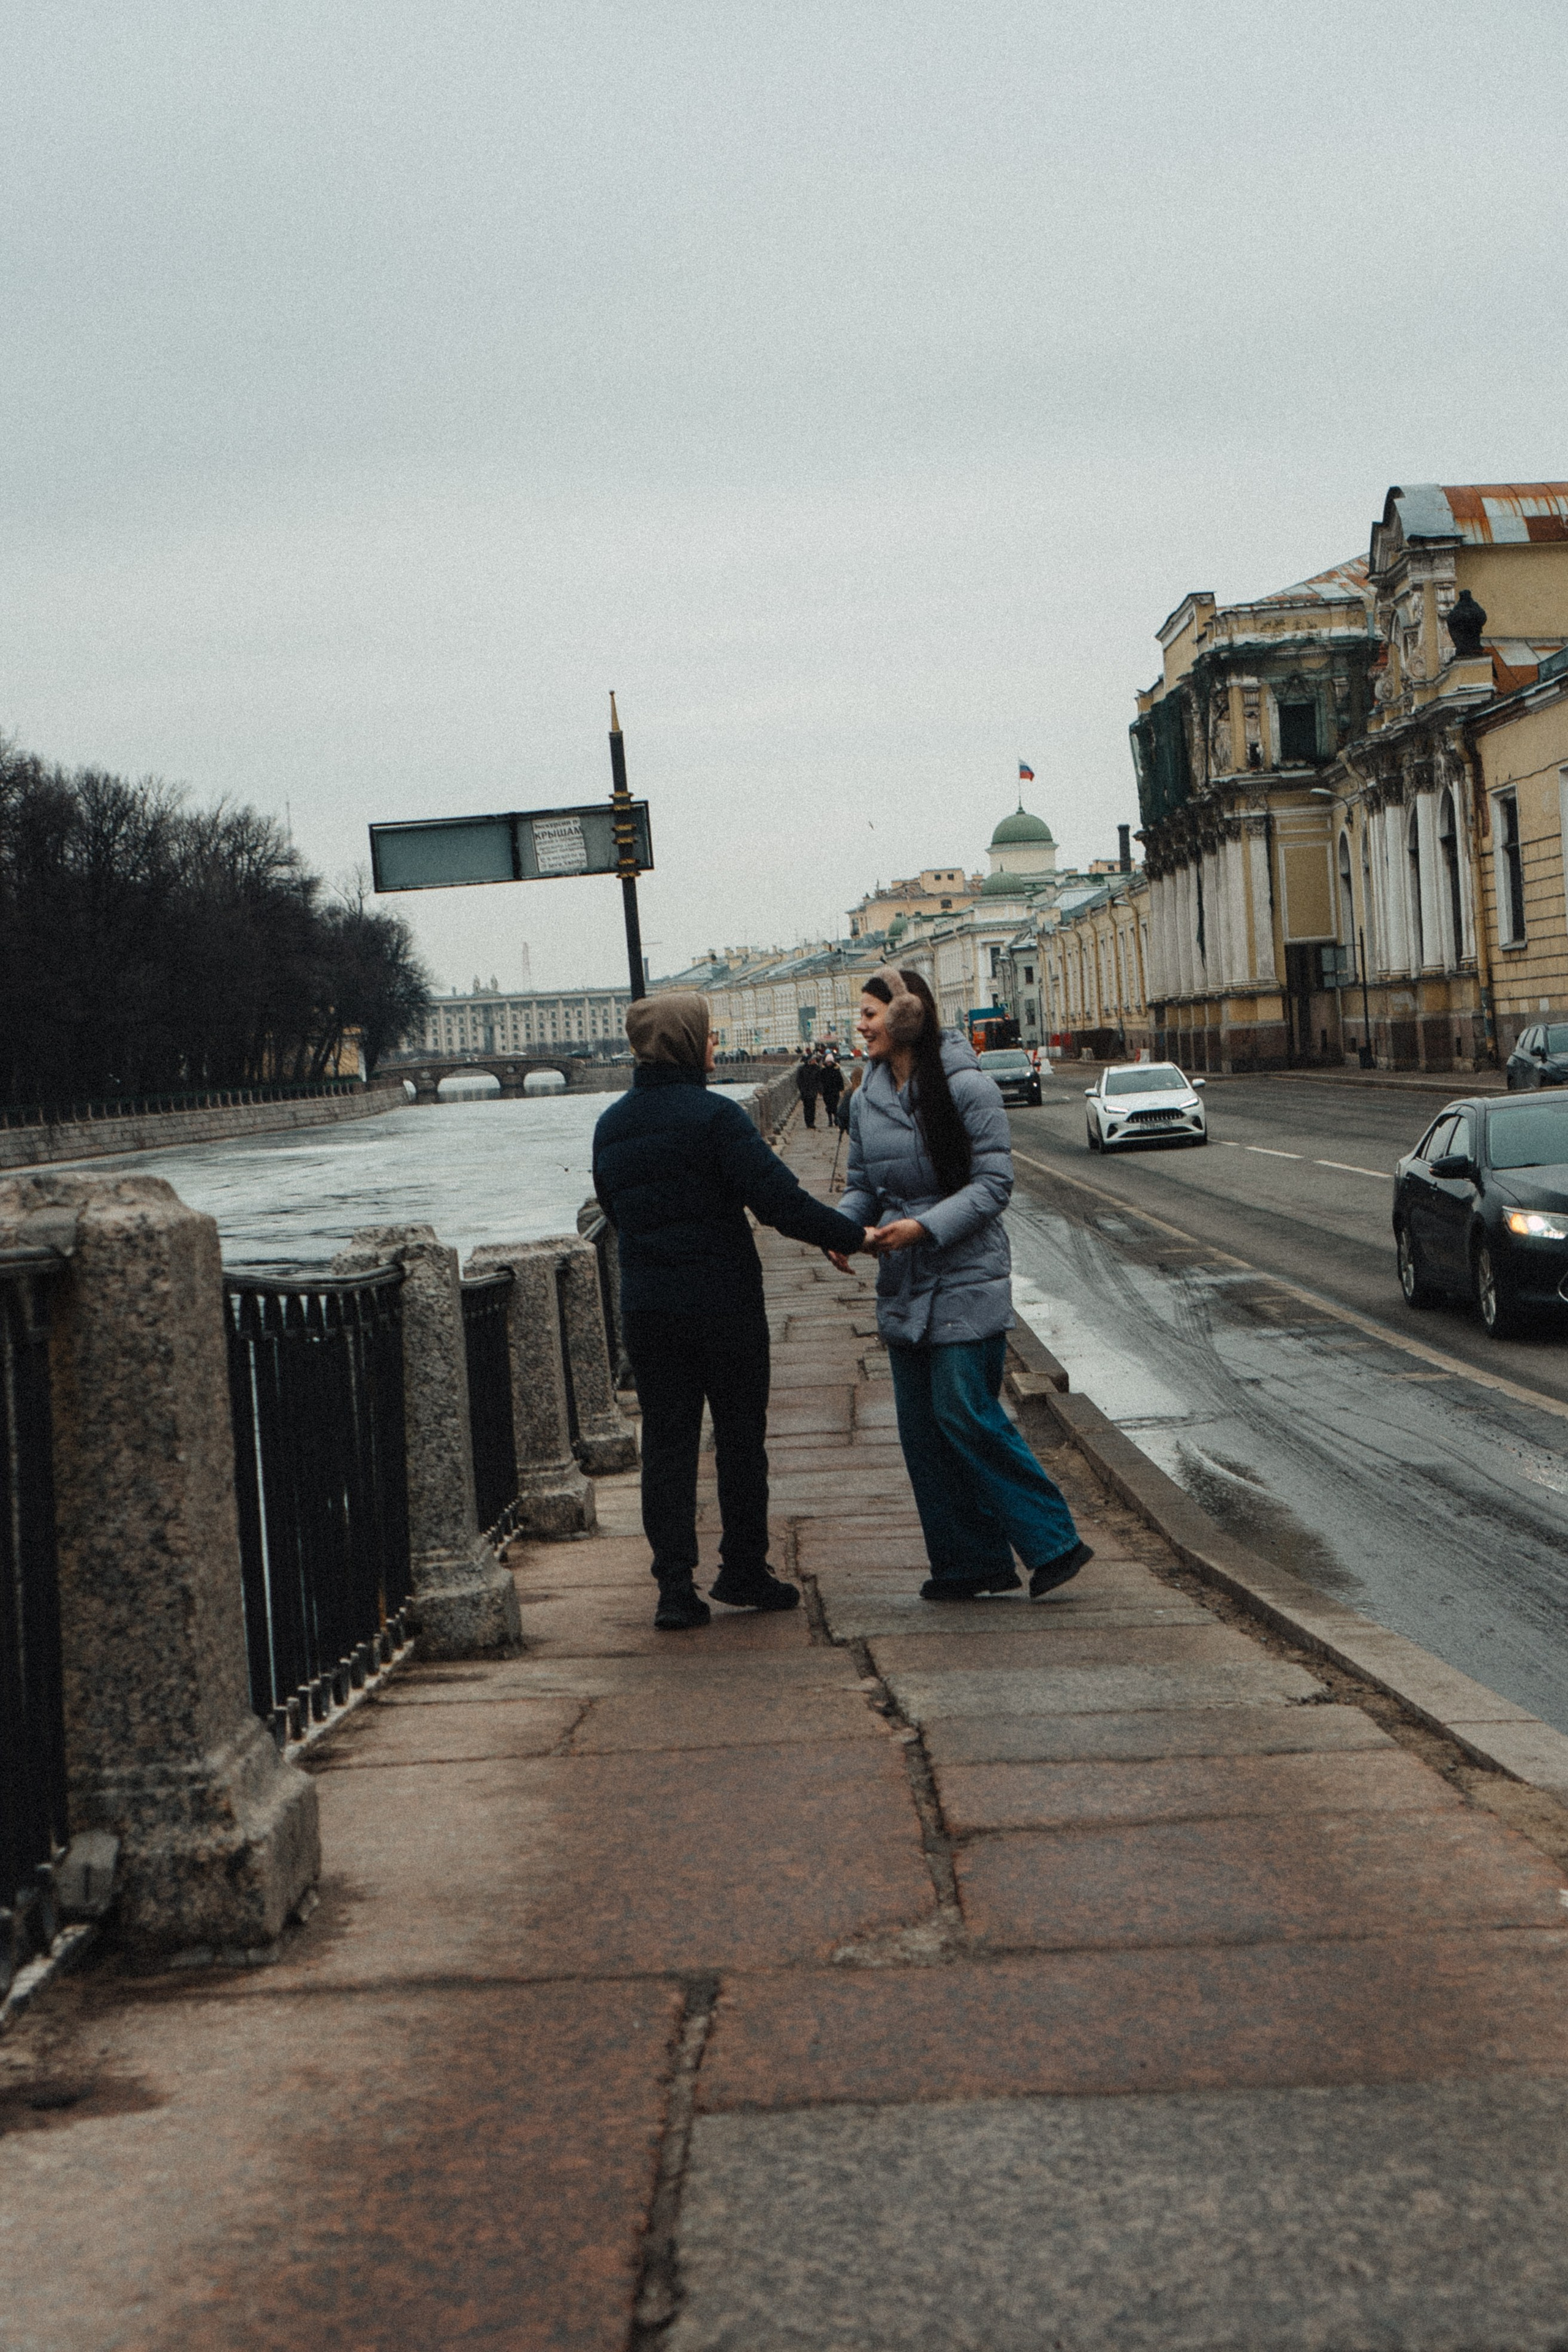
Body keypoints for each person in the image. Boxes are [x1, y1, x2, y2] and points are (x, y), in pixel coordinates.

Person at [594, 992, 870, 1630]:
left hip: (651, 1311)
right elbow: (776, 1200)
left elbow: (612, 1207)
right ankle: (743, 1569)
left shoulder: (611, 1124)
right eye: (709, 1036)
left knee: (667, 1447)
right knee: (740, 1442)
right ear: (686, 1043)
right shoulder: (716, 1119)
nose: (715, 1045)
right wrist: (850, 1235)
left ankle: (673, 1590)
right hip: (723, 1306)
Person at [834, 967, 1092, 1601]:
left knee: (963, 1409)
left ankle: (1054, 1540)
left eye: (869, 1014)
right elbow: (863, 1186)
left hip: (965, 1265)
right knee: (922, 1431)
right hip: (904, 1275)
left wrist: (923, 1227)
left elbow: (993, 1187)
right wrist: (840, 1230)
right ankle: (969, 1563)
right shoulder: (864, 1097)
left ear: (903, 1017)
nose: (859, 1026)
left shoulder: (966, 1085)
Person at [796, 1049, 822, 1128]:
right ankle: (808, 1122)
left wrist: (820, 1090)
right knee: (807, 1107)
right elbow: (799, 1080)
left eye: (815, 1060)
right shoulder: (802, 1069)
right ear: (810, 1061)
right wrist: (802, 1089)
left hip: (813, 1091)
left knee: (813, 1106)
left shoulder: (817, 1068)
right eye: (813, 1060)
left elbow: (819, 1080)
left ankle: (812, 1122)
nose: (815, 1061)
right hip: (805, 1091)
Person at [818, 1052, 845, 1125]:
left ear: (832, 1062)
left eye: (830, 1062)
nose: (829, 1063)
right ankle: (830, 1120)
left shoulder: (836, 1071)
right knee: (828, 1106)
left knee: (835, 1105)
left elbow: (840, 1080)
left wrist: (841, 1088)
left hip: (835, 1091)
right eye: (828, 1062)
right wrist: (820, 1090)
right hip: (826, 1091)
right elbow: (820, 1081)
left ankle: (836, 1119)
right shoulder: (823, 1071)